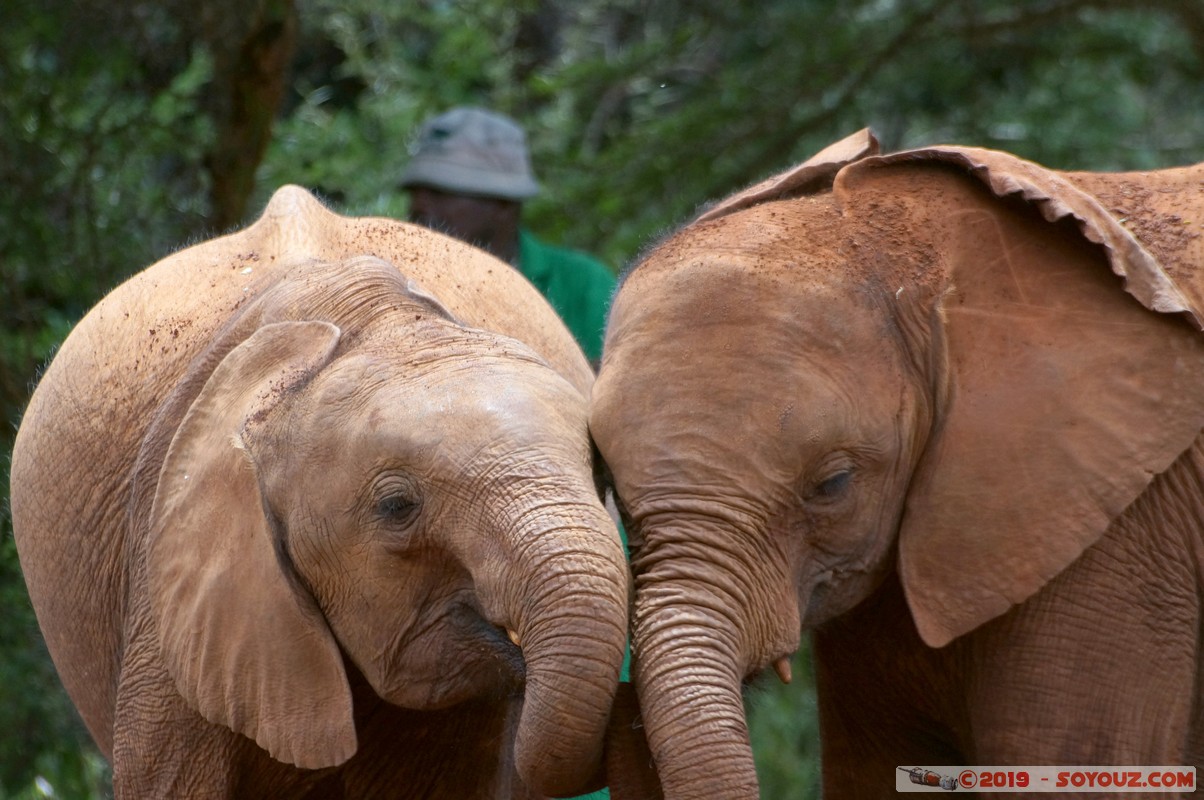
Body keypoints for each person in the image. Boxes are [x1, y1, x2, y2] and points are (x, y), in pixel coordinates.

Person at [400, 106, 616, 366]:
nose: (419, 205)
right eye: (415, 192)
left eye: (440, 193)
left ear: (503, 204)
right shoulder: (396, 282)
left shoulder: (583, 284)